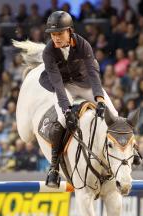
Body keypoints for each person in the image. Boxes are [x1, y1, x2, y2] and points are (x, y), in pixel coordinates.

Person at [40, 11, 120, 188]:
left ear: (70, 31)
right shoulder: (48, 52)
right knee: (61, 120)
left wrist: (100, 99)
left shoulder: (83, 44)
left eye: (60, 33)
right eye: (53, 34)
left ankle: (129, 155)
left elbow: (93, 72)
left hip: (85, 84)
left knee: (114, 114)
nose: (56, 38)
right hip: (64, 86)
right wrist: (66, 109)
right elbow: (57, 83)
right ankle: (53, 168)